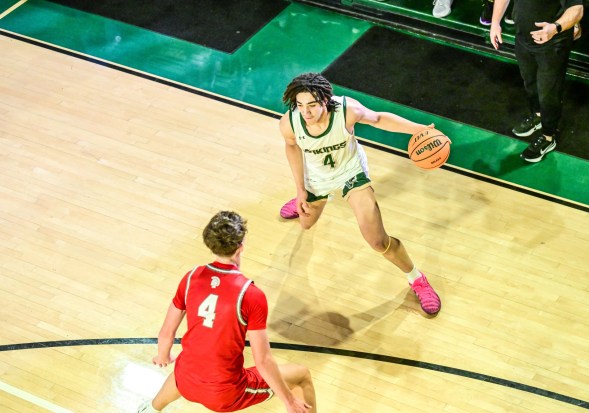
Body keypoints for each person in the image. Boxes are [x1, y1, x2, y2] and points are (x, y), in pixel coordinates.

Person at [278, 73, 441, 315]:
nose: (306, 112)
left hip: (350, 172)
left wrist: (418, 130)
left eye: (312, 105)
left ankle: (417, 279)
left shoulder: (347, 111)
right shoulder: (290, 122)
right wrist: (300, 189)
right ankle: (308, 199)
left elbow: (379, 119)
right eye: (300, 106)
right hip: (316, 177)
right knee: (306, 224)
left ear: (325, 99)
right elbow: (291, 146)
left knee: (377, 241)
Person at [137, 211, 316, 413]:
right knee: (301, 376)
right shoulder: (250, 294)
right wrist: (289, 401)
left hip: (184, 383)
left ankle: (151, 409)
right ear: (241, 246)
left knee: (188, 363)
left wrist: (162, 355)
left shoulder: (191, 277)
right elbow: (263, 361)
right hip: (224, 395)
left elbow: (166, 333)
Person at [489, 0, 584, 163]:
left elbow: (577, 9)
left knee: (549, 93)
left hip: (552, 44)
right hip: (523, 39)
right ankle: (538, 116)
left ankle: (548, 137)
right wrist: (495, 23)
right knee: (530, 83)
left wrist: (555, 28)